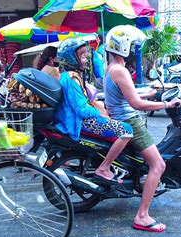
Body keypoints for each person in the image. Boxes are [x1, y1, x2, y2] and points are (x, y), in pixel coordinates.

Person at [104, 25, 181, 233]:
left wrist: (150, 92)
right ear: (123, 47)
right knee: (158, 165)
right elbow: (137, 105)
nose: (133, 50)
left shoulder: (111, 68)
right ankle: (142, 216)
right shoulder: (120, 70)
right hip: (130, 122)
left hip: (121, 117)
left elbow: (128, 94)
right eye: (131, 45)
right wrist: (167, 104)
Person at [54, 38, 134, 183]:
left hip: (79, 119)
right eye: (83, 56)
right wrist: (101, 113)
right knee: (126, 131)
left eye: (86, 56)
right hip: (80, 122)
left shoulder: (72, 76)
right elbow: (82, 110)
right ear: (72, 58)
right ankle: (104, 168)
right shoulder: (71, 79)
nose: (86, 60)